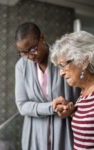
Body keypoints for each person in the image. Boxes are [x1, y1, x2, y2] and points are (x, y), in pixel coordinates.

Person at [15, 22, 80, 150]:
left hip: (65, 131)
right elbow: (22, 105)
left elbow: (80, 95)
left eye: (32, 49)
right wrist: (51, 107)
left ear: (42, 38)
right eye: (23, 53)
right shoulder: (21, 66)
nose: (29, 57)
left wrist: (71, 109)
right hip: (34, 135)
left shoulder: (62, 58)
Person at [50, 31, 94, 150]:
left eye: (63, 65)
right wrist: (71, 111)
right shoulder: (84, 93)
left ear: (84, 61)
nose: (61, 73)